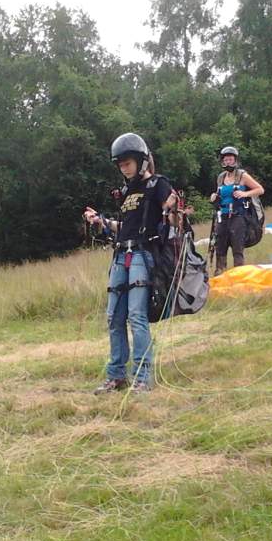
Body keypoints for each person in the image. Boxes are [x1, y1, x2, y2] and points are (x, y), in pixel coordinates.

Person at [83, 133, 176, 394]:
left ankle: (142, 377)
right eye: (120, 164)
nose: (124, 168)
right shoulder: (126, 193)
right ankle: (116, 376)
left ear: (141, 160)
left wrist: (172, 209)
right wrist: (101, 222)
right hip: (121, 254)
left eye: (127, 163)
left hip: (142, 255)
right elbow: (124, 227)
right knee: (114, 317)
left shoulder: (158, 184)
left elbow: (173, 220)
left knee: (136, 315)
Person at [209, 146, 264, 275]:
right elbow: (220, 194)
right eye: (226, 160)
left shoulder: (242, 175)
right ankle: (220, 275)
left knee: (237, 249)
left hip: (238, 216)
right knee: (220, 248)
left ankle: (239, 276)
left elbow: (260, 189)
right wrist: (214, 197)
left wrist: (245, 194)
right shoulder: (221, 177)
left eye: (230, 159)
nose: (228, 162)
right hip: (222, 216)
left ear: (235, 160)